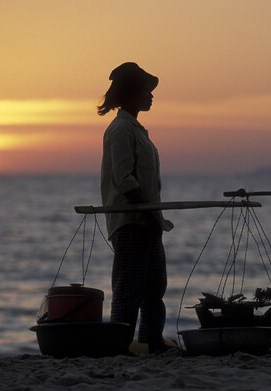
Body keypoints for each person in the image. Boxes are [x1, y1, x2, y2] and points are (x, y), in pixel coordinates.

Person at [98, 62, 174, 354]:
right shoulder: (120, 129)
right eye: (145, 90)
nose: (151, 96)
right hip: (131, 220)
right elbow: (124, 179)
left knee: (155, 286)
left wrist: (152, 215)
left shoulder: (137, 129)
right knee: (129, 287)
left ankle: (150, 340)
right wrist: (144, 212)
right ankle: (121, 346)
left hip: (148, 218)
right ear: (132, 93)